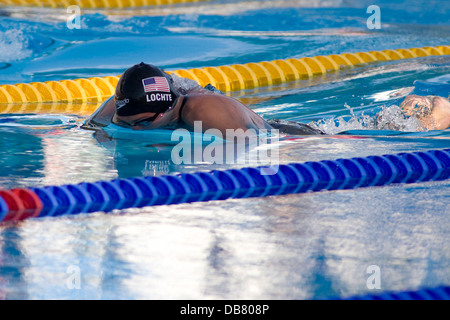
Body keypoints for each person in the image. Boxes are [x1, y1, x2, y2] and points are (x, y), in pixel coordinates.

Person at [82, 62, 324, 137]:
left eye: (143, 122)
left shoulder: (207, 112)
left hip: (283, 133)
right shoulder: (123, 105)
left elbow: (255, 150)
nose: (134, 128)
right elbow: (88, 132)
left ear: (169, 109)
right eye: (126, 123)